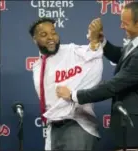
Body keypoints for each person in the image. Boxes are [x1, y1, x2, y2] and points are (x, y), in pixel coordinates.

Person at [56, 1, 138, 151]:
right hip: (129, 127)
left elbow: (112, 87)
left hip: (134, 131)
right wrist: (102, 41)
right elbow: (123, 57)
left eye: (124, 23)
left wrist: (73, 95)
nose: (121, 26)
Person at [30, 17, 103, 150]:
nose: (51, 37)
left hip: (76, 124)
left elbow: (93, 54)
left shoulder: (71, 51)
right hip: (53, 128)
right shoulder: (37, 67)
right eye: (44, 34)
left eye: (53, 32)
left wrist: (94, 40)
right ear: (35, 40)